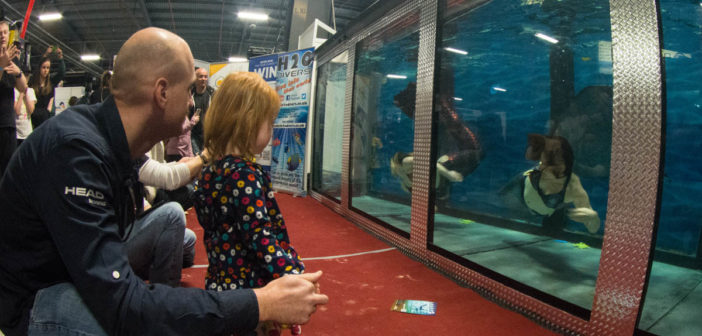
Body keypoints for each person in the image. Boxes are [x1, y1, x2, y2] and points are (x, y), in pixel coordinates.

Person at [0, 27, 327, 336]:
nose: (191, 103)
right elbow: (125, 307)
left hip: (76, 276)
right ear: (162, 92)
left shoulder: (113, 142)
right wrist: (262, 303)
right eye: (188, 90)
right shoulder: (75, 152)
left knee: (170, 219)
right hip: (39, 300)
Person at [193, 72, 306, 336]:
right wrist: (292, 273)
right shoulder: (245, 174)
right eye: (270, 122)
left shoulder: (209, 172)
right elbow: (259, 236)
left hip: (221, 286)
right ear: (248, 123)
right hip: (252, 290)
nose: (272, 130)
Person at [0, 20, 28, 177]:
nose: (3, 36)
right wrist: (1, 65)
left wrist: (18, 73)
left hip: (9, 124)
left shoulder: (13, 58)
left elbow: (23, 88)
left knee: (8, 171)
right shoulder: (4, 60)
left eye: (5, 32)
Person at [27, 46, 65, 129]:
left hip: (46, 118)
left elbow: (61, 73)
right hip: (33, 118)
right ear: (40, 68)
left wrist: (60, 58)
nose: (46, 70)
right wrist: (46, 54)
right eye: (44, 67)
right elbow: (39, 65)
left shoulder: (51, 82)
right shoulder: (33, 81)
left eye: (48, 68)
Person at [189, 67, 214, 155]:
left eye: (205, 77)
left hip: (208, 134)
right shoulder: (189, 94)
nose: (203, 79)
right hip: (193, 134)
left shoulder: (212, 94)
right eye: (201, 76)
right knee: (197, 158)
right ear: (195, 79)